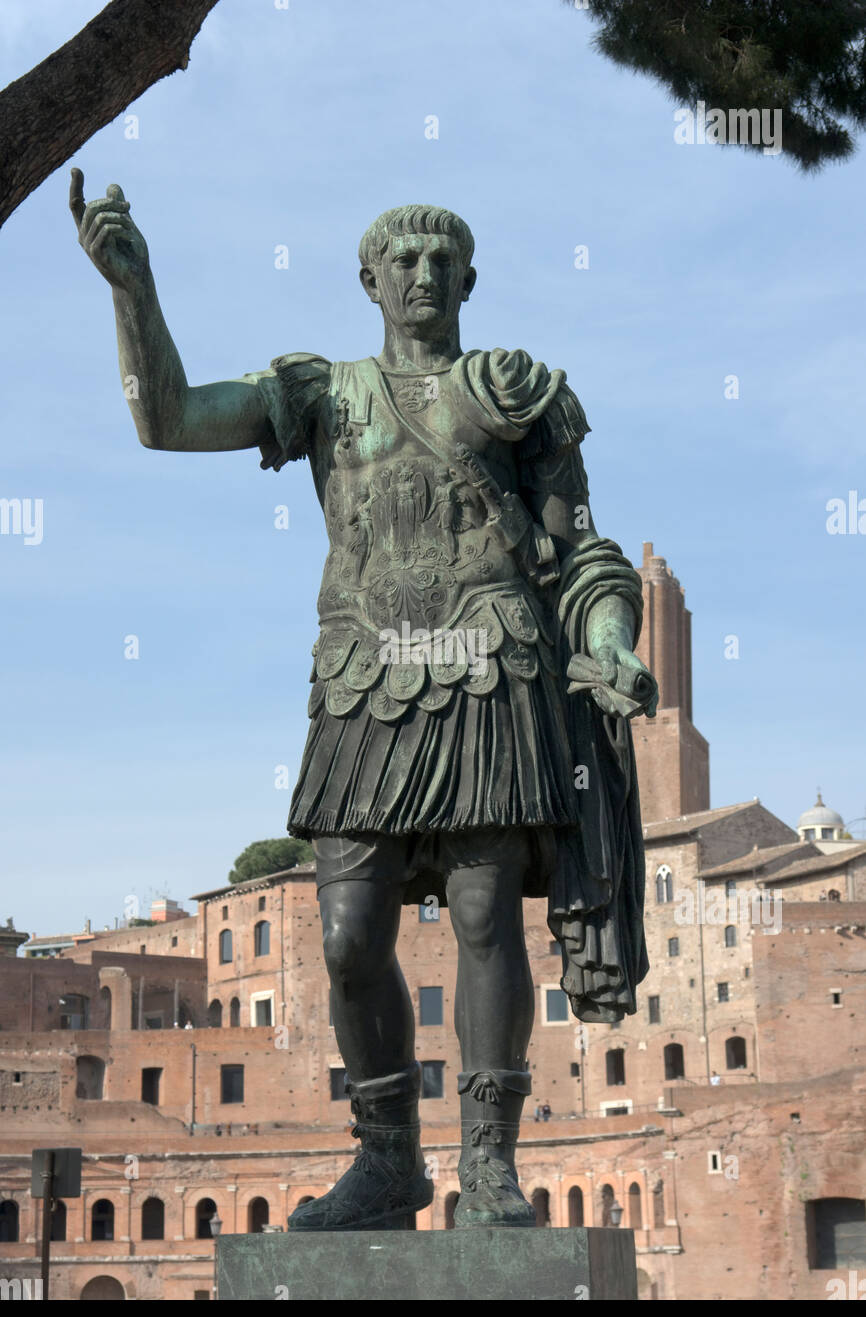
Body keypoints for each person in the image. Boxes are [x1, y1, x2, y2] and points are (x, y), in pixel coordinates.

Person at [71, 179, 658, 1231]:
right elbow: (165, 420)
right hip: (363, 680)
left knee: (482, 915)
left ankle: (487, 1163)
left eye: (443, 260)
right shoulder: (322, 394)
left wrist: (609, 642)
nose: (423, 274)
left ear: (467, 281)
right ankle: (389, 1159)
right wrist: (133, 289)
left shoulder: (512, 391)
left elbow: (582, 559)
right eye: (404, 260)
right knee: (347, 937)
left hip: (492, 666)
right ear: (369, 281)